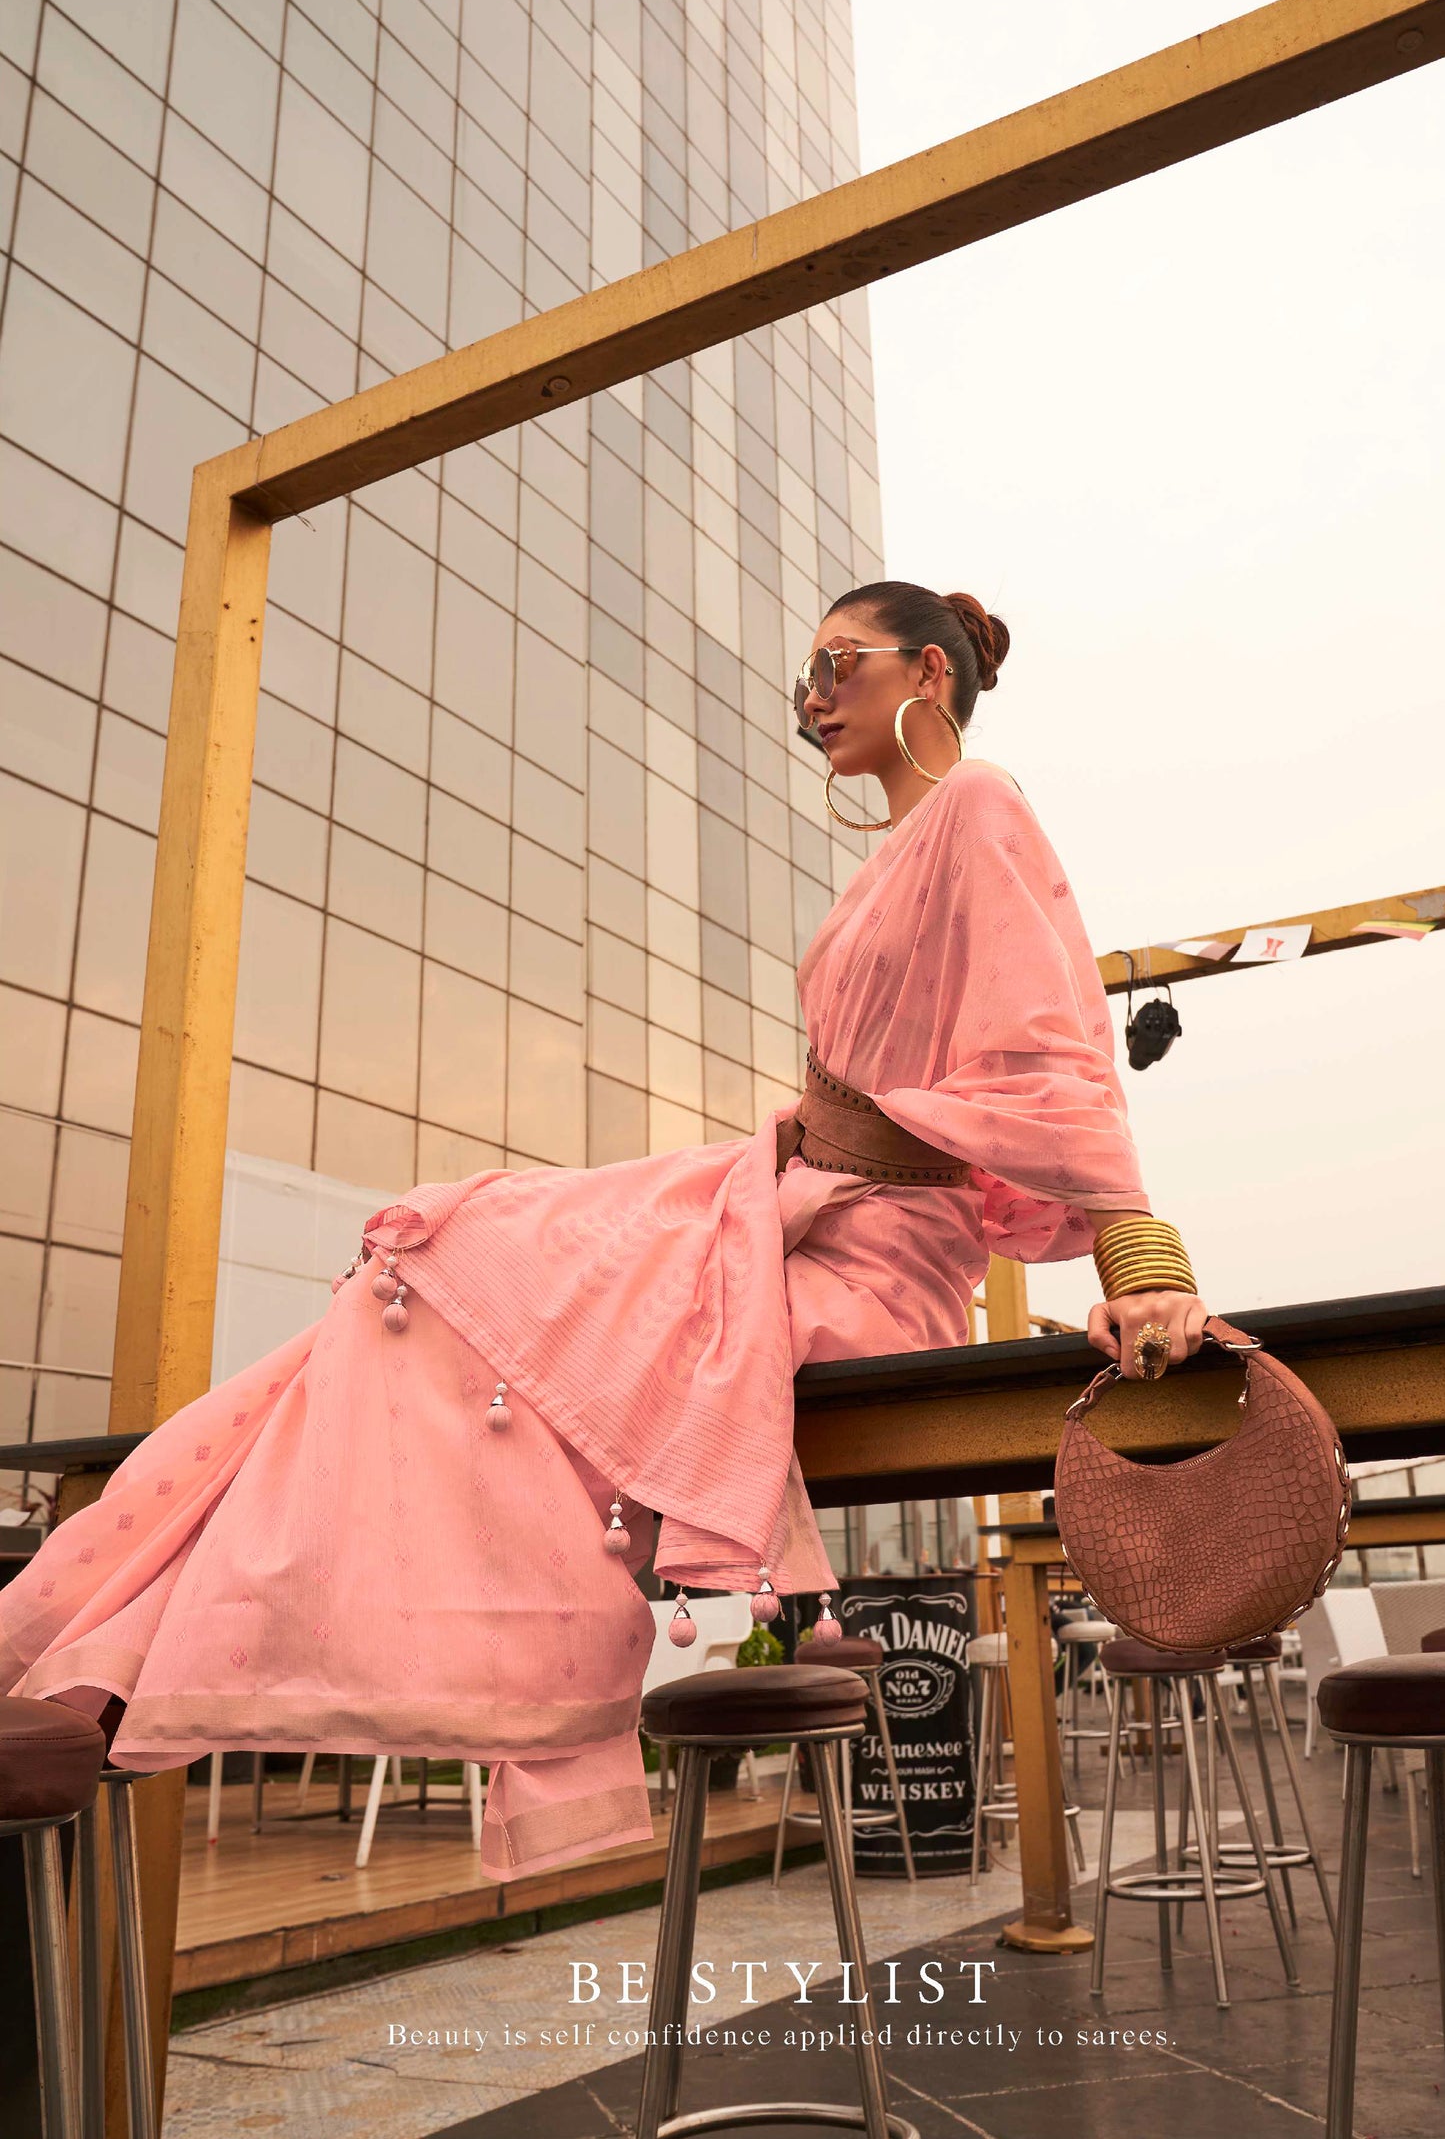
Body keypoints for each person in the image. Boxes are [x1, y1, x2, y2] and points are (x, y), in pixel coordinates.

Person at [0, 580, 1207, 1880]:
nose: (809, 696)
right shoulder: (900, 851)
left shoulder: (977, 805)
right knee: (437, 1260)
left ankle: (185, 1640)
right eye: (802, 673)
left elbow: (1052, 1042)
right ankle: (138, 1623)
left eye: (835, 665)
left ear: (923, 672)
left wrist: (1137, 1259)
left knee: (473, 1267)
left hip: (872, 1257)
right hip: (788, 1208)